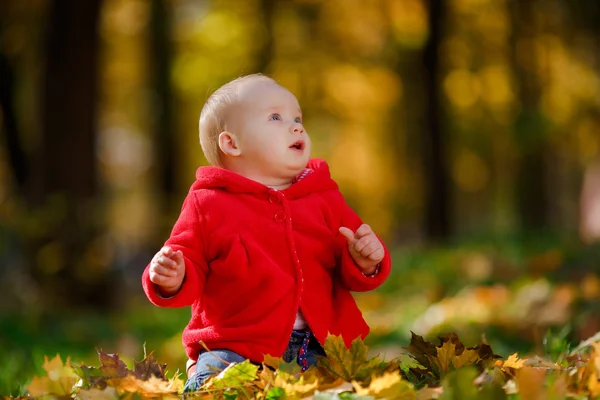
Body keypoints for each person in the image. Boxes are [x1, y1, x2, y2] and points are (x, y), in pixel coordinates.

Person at [141, 74, 392, 392]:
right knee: (215, 389)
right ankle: (202, 374)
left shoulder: (322, 195)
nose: (296, 126)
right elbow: (186, 256)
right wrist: (171, 276)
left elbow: (351, 262)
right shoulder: (207, 202)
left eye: (298, 118)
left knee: (353, 389)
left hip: (323, 344)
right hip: (236, 345)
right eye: (276, 117)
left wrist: (366, 259)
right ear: (232, 143)